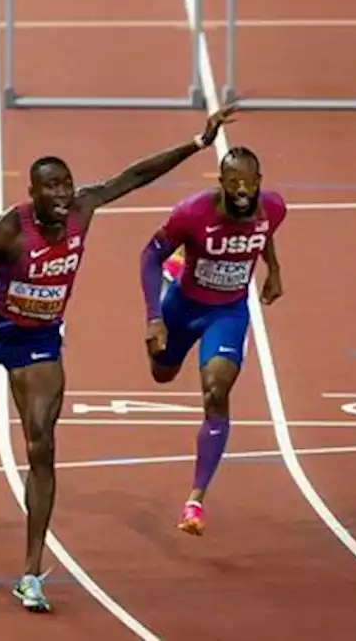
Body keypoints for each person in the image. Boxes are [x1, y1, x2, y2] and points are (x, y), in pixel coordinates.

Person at [0, 105, 237, 614]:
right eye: (50, 188)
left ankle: (30, 574)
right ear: (32, 193)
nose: (60, 195)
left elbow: (136, 176)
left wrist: (197, 142)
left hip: (38, 341)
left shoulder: (83, 209)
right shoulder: (9, 228)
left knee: (42, 445)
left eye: (65, 185)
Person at [138, 146, 286, 536]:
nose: (242, 189)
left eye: (249, 181)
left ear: (259, 182)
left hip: (228, 312)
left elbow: (264, 232)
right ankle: (180, 269)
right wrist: (154, 317)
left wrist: (274, 269)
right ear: (220, 183)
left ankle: (195, 500)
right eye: (233, 181)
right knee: (162, 374)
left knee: (216, 390)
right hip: (183, 307)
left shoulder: (272, 207)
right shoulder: (192, 213)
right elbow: (147, 256)